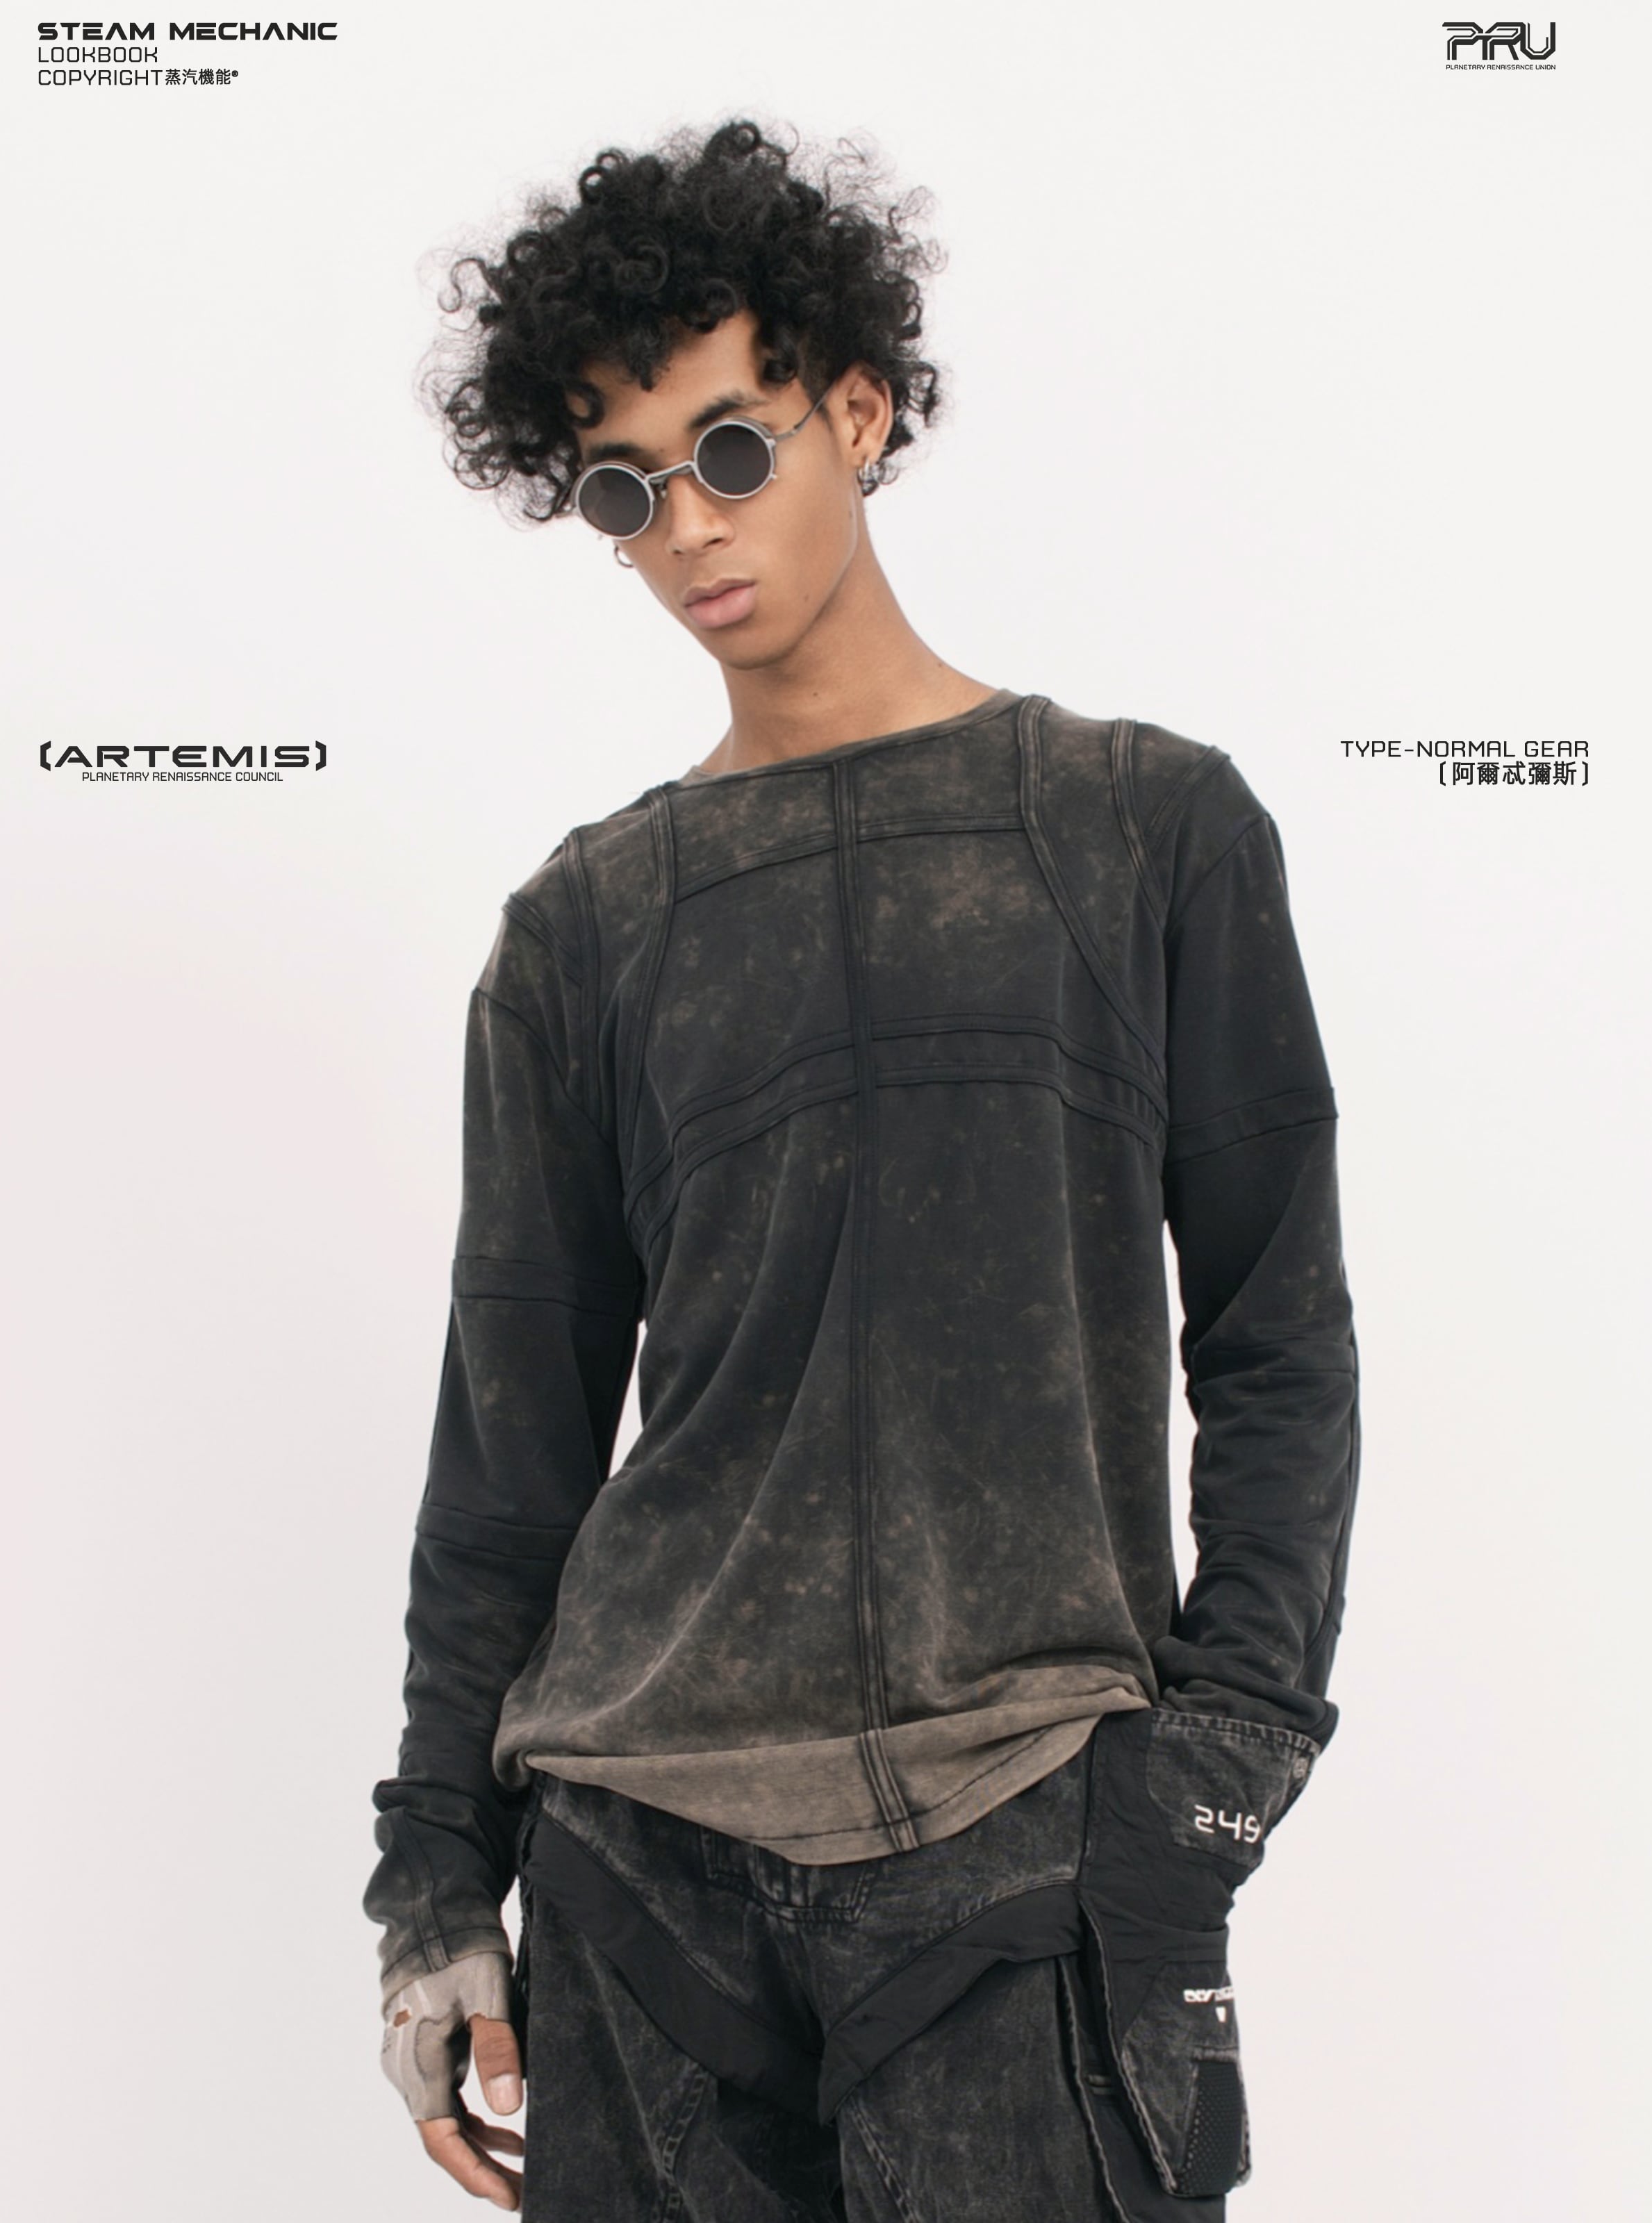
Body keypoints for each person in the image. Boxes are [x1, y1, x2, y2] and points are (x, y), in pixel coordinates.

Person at [363, 117, 1361, 2220]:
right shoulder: (583, 930)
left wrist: (1217, 1773)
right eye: (624, 488)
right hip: (637, 1873)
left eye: (730, 449)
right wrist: (438, 1879)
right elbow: (510, 1459)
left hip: (1032, 1839)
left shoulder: (1143, 829)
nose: (689, 526)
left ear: (859, 408)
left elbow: (1280, 1343)